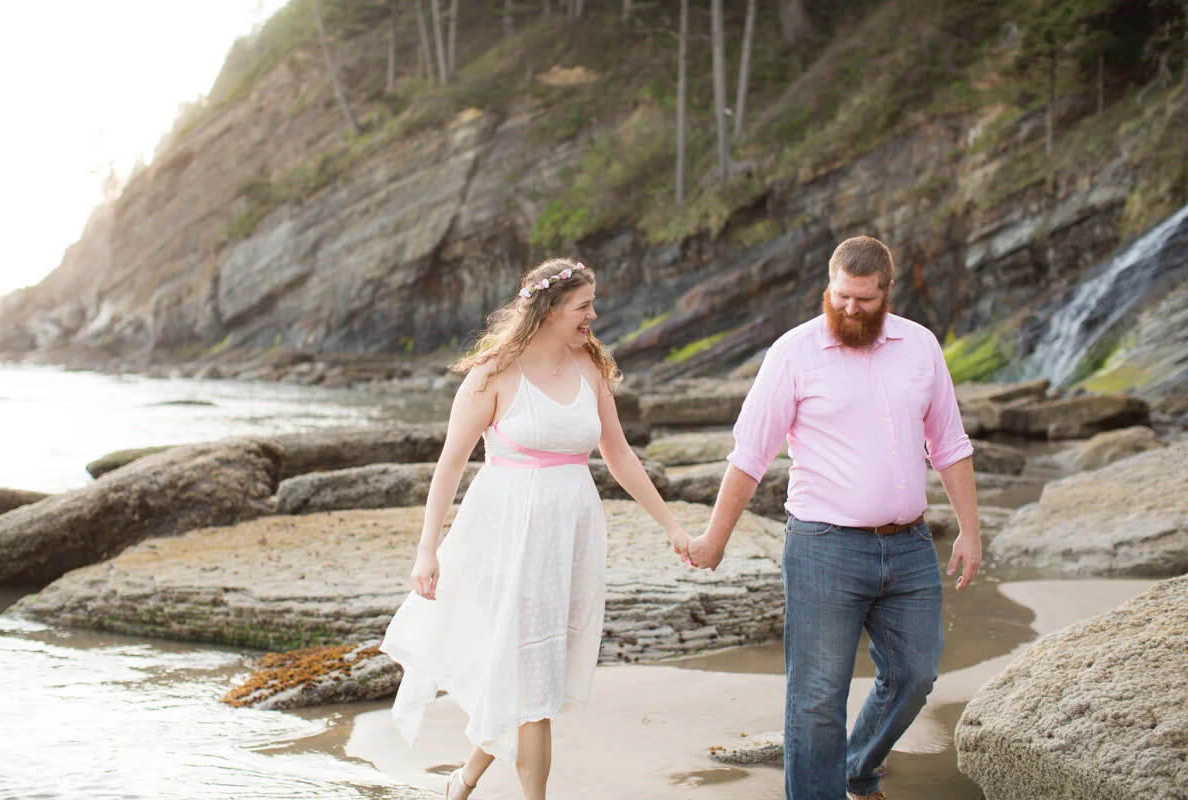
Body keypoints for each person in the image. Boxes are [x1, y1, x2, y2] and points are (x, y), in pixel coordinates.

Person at [379, 258, 692, 800]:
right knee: (535, 679)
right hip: (507, 534)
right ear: (548, 310)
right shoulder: (494, 374)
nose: (593, 315)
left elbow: (618, 455)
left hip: (569, 534)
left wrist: (672, 525)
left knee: (531, 671)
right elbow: (450, 464)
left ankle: (463, 781)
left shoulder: (591, 366)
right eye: (583, 306)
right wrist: (427, 550)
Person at [687, 236, 981, 800]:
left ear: (887, 293)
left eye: (863, 300)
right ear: (830, 285)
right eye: (840, 295)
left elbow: (948, 443)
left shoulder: (920, 347)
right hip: (824, 548)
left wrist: (969, 529)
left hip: (911, 547)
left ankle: (857, 765)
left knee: (915, 676)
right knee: (817, 698)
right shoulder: (793, 354)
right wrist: (714, 539)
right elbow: (750, 455)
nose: (849, 309)